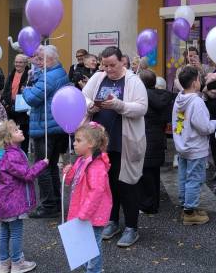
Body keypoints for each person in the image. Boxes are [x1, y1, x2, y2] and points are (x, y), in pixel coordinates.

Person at [82, 46, 147, 247]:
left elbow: (141, 108)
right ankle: (111, 221)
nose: (108, 69)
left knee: (127, 185)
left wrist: (119, 105)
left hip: (123, 142)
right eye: (105, 64)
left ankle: (131, 227)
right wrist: (89, 105)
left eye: (112, 65)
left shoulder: (133, 81)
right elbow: (82, 96)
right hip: (101, 144)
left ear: (122, 62)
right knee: (106, 185)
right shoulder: (98, 78)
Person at [0, 120, 49, 273]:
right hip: (14, 202)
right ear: (8, 139)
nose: (20, 130)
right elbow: (27, 175)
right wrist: (42, 163)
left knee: (4, 231)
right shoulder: (12, 155)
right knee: (16, 232)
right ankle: (17, 263)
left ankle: (4, 264)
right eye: (16, 130)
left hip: (2, 202)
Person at [22, 44, 70, 219]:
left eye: (39, 58)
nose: (37, 62)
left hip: (45, 128)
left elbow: (32, 98)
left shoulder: (48, 77)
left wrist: (25, 89)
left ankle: (48, 205)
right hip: (55, 126)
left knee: (42, 167)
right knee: (50, 166)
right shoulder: (59, 72)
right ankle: (55, 202)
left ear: (50, 59)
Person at [172, 66, 216, 225]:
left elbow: (180, 123)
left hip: (182, 146)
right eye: (199, 79)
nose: (201, 82)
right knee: (194, 179)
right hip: (195, 148)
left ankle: (186, 204)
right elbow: (204, 127)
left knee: (184, 177)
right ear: (194, 82)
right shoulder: (197, 102)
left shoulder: (179, 99)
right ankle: (190, 212)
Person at [63, 123, 113, 273]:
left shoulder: (96, 166)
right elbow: (72, 180)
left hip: (93, 214)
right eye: (75, 140)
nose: (74, 143)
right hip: (84, 212)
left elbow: (97, 191)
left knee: (93, 246)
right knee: (84, 246)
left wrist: (84, 214)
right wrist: (68, 171)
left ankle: (94, 270)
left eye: (78, 140)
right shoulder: (81, 159)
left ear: (90, 144)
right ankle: (90, 268)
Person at [137, 69, 173, 214]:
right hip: (158, 138)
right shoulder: (164, 96)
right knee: (154, 173)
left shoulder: (143, 97)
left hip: (146, 138)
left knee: (145, 174)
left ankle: (148, 205)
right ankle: (154, 203)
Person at [3, 55, 31, 154]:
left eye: (20, 62)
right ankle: (11, 154)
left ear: (25, 63)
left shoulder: (29, 75)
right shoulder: (11, 73)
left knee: (24, 133)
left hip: (24, 108)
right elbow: (6, 90)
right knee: (10, 132)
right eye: (16, 62)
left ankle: (23, 155)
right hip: (11, 107)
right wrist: (6, 103)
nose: (17, 64)